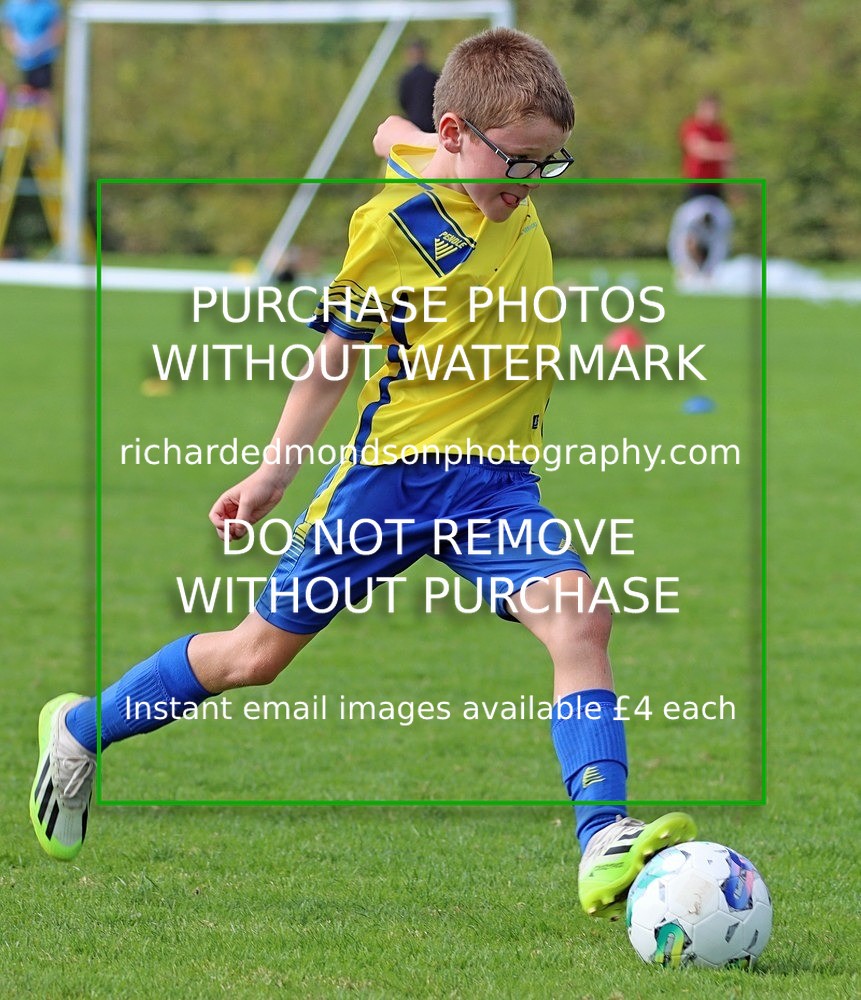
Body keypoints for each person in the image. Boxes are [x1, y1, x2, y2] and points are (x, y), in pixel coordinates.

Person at [30, 27, 695, 920]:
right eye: (518, 163)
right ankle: (79, 730)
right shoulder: (392, 230)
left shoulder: (471, 162)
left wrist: (409, 140)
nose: (528, 185)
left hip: (495, 485)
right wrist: (270, 476)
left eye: (547, 165)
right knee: (252, 657)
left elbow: (393, 132)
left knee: (581, 618)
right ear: (459, 131)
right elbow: (330, 365)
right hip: (387, 483)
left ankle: (600, 842)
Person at [2, 0, 64, 95]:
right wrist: (20, 49)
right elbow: (8, 32)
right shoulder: (12, 6)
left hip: (44, 60)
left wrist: (41, 47)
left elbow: (57, 30)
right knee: (22, 96)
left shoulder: (49, 5)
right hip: (20, 61)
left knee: (44, 95)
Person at [679, 92, 733, 201]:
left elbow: (727, 163)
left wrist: (733, 188)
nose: (712, 113)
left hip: (716, 186)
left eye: (715, 109)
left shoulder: (719, 130)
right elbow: (699, 150)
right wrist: (722, 150)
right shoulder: (692, 126)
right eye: (709, 109)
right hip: (697, 185)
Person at [397, 38, 438, 134]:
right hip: (432, 124)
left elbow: (403, 102)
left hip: (413, 125)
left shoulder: (405, 78)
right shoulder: (433, 76)